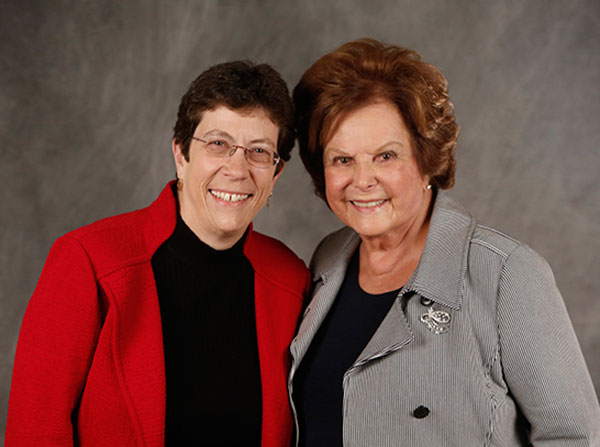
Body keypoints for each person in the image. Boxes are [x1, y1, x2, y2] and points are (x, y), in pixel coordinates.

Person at [289, 38, 600, 446]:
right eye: (342, 159)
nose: (362, 181)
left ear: (426, 161)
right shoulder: (328, 262)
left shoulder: (507, 274)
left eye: (386, 156)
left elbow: (575, 437)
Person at [6, 61, 310, 447]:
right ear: (181, 154)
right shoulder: (88, 260)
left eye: (259, 151)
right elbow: (35, 432)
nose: (237, 169)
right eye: (218, 144)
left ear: (276, 174)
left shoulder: (288, 279)